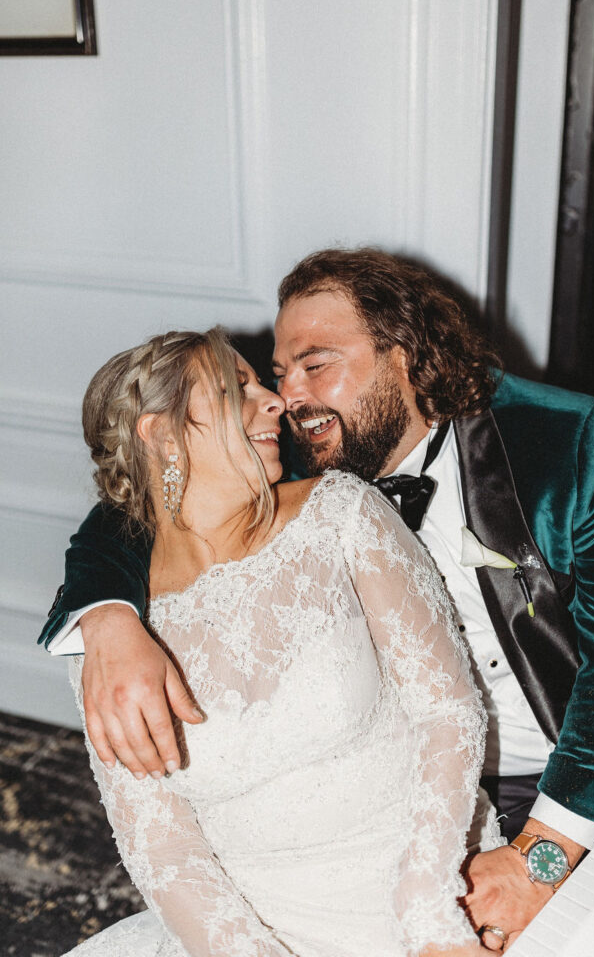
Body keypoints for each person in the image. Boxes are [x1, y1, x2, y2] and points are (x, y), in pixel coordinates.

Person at [41, 249, 594, 951]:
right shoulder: (293, 462)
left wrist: (542, 855)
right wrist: (103, 616)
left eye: (316, 365)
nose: (286, 398)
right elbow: (145, 504)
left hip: (578, 769)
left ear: (405, 356)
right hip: (401, 799)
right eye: (278, 374)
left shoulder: (559, 441)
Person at [58, 326, 494, 957]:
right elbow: (162, 847)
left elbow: (448, 712)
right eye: (238, 389)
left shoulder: (340, 514)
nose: (275, 401)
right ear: (160, 434)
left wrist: (427, 912)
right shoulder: (107, 643)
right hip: (250, 932)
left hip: (432, 884)